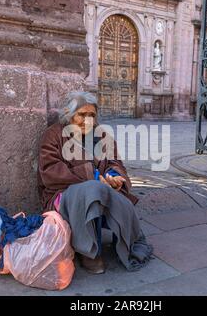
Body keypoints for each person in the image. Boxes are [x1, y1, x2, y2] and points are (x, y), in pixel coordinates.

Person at [37, 91, 153, 274]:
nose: (87, 120)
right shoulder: (53, 135)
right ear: (69, 115)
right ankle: (89, 251)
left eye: (91, 115)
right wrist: (92, 175)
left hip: (100, 190)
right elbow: (50, 171)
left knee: (103, 191)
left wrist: (114, 177)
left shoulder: (102, 136)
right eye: (81, 115)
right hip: (62, 195)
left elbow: (115, 162)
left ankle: (126, 241)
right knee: (93, 189)